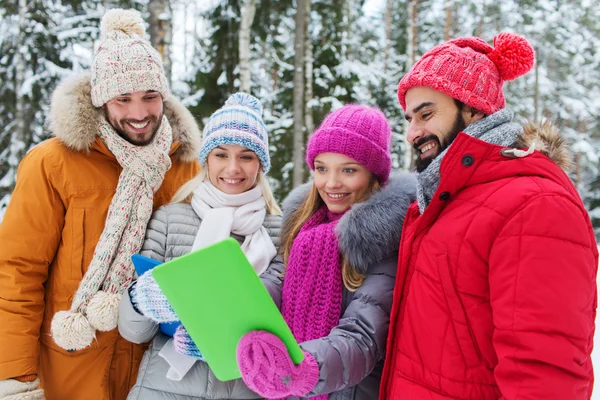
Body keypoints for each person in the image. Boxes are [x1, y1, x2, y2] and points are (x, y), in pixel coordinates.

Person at [379, 32, 599, 399]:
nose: (412, 133)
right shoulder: (441, 202)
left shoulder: (535, 205)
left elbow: (545, 377)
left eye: (427, 114)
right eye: (408, 118)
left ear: (474, 108)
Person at [0, 9, 201, 400]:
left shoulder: (186, 168)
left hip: (156, 377)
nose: (139, 113)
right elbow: (16, 273)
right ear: (101, 99)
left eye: (150, 96)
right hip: (69, 372)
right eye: (123, 99)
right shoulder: (53, 163)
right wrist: (16, 379)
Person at [235, 104, 417, 399]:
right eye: (322, 168)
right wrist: (228, 328)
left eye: (348, 170)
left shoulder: (385, 242)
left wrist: (303, 369)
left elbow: (363, 337)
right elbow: (274, 284)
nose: (331, 183)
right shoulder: (302, 226)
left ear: (374, 175)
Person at [118, 93, 284, 399]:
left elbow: (285, 323)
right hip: (165, 388)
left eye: (246, 156)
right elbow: (133, 331)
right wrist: (140, 299)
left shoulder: (281, 231)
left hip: (248, 389)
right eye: (221, 154)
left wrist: (227, 337)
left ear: (260, 165)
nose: (233, 168)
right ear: (206, 159)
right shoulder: (169, 220)